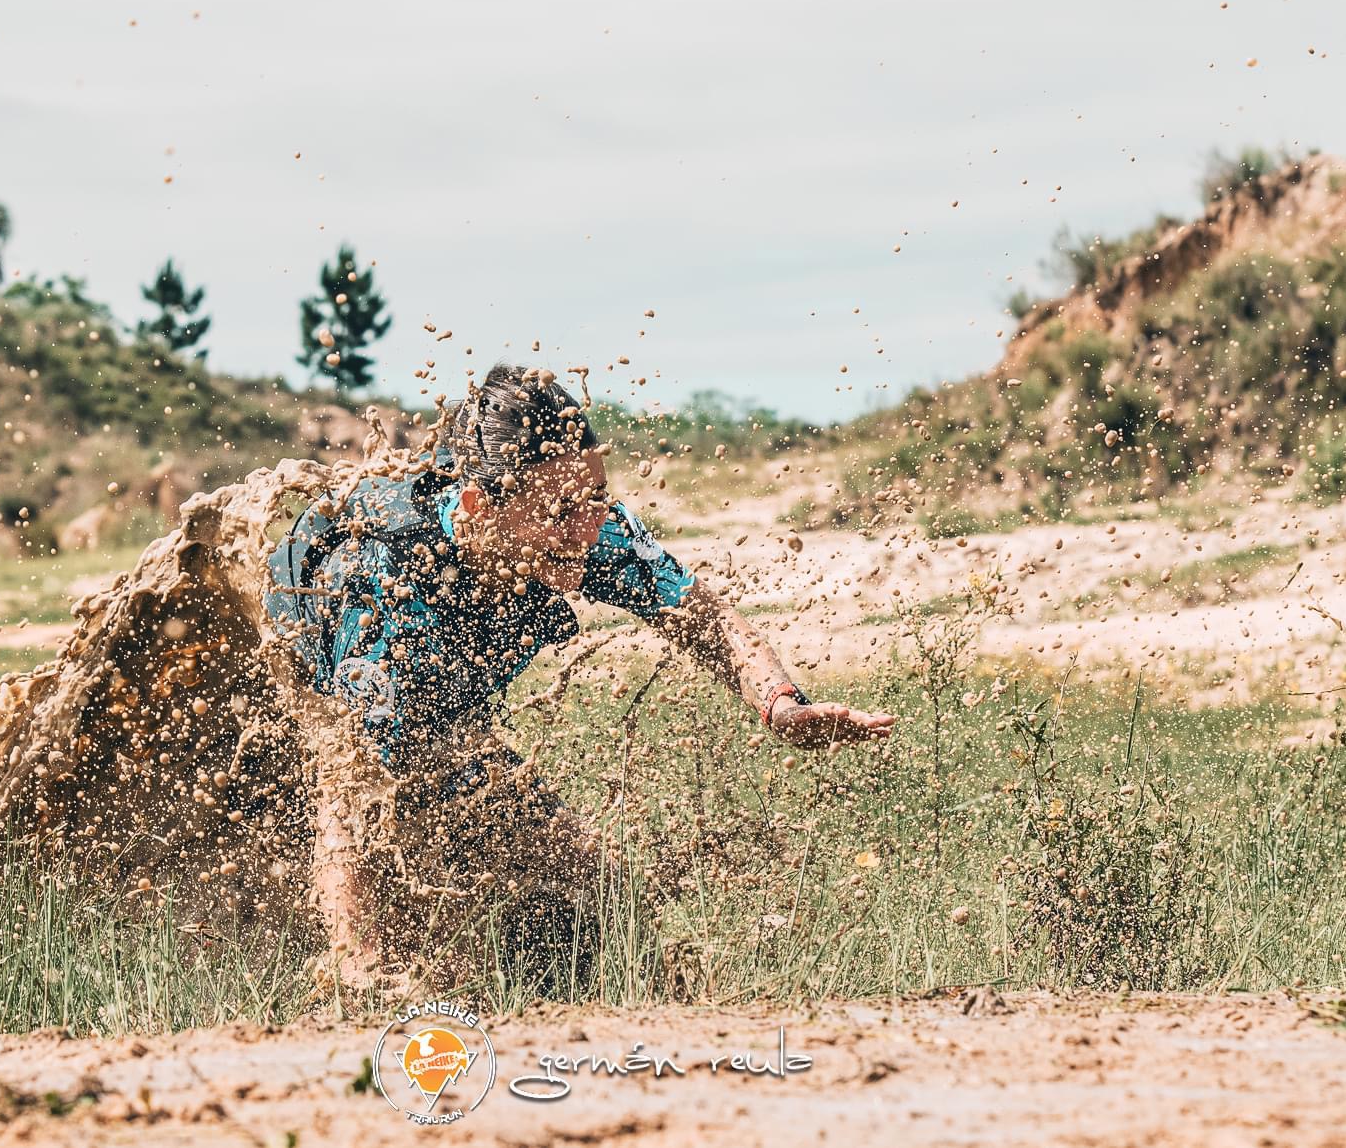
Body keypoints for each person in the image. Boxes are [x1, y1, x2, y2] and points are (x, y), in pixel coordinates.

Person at [264, 362, 899, 985]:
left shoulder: (584, 527)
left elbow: (706, 619)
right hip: (310, 649)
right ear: (480, 508)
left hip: (446, 685)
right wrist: (361, 966)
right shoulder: (390, 589)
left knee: (603, 889)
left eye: (594, 498)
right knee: (395, 822)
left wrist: (780, 703)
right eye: (563, 510)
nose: (586, 526)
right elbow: (350, 787)